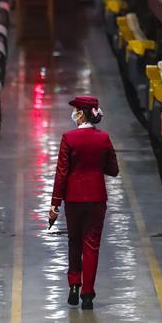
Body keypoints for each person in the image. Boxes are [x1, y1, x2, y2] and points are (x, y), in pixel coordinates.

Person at [48, 95, 119, 310]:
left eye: (75, 111)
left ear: (80, 114)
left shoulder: (68, 139)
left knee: (74, 242)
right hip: (97, 199)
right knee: (91, 246)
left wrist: (55, 204)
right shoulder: (104, 138)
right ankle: (87, 295)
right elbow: (113, 170)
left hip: (73, 199)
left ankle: (73, 285)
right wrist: (96, 166)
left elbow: (61, 173)